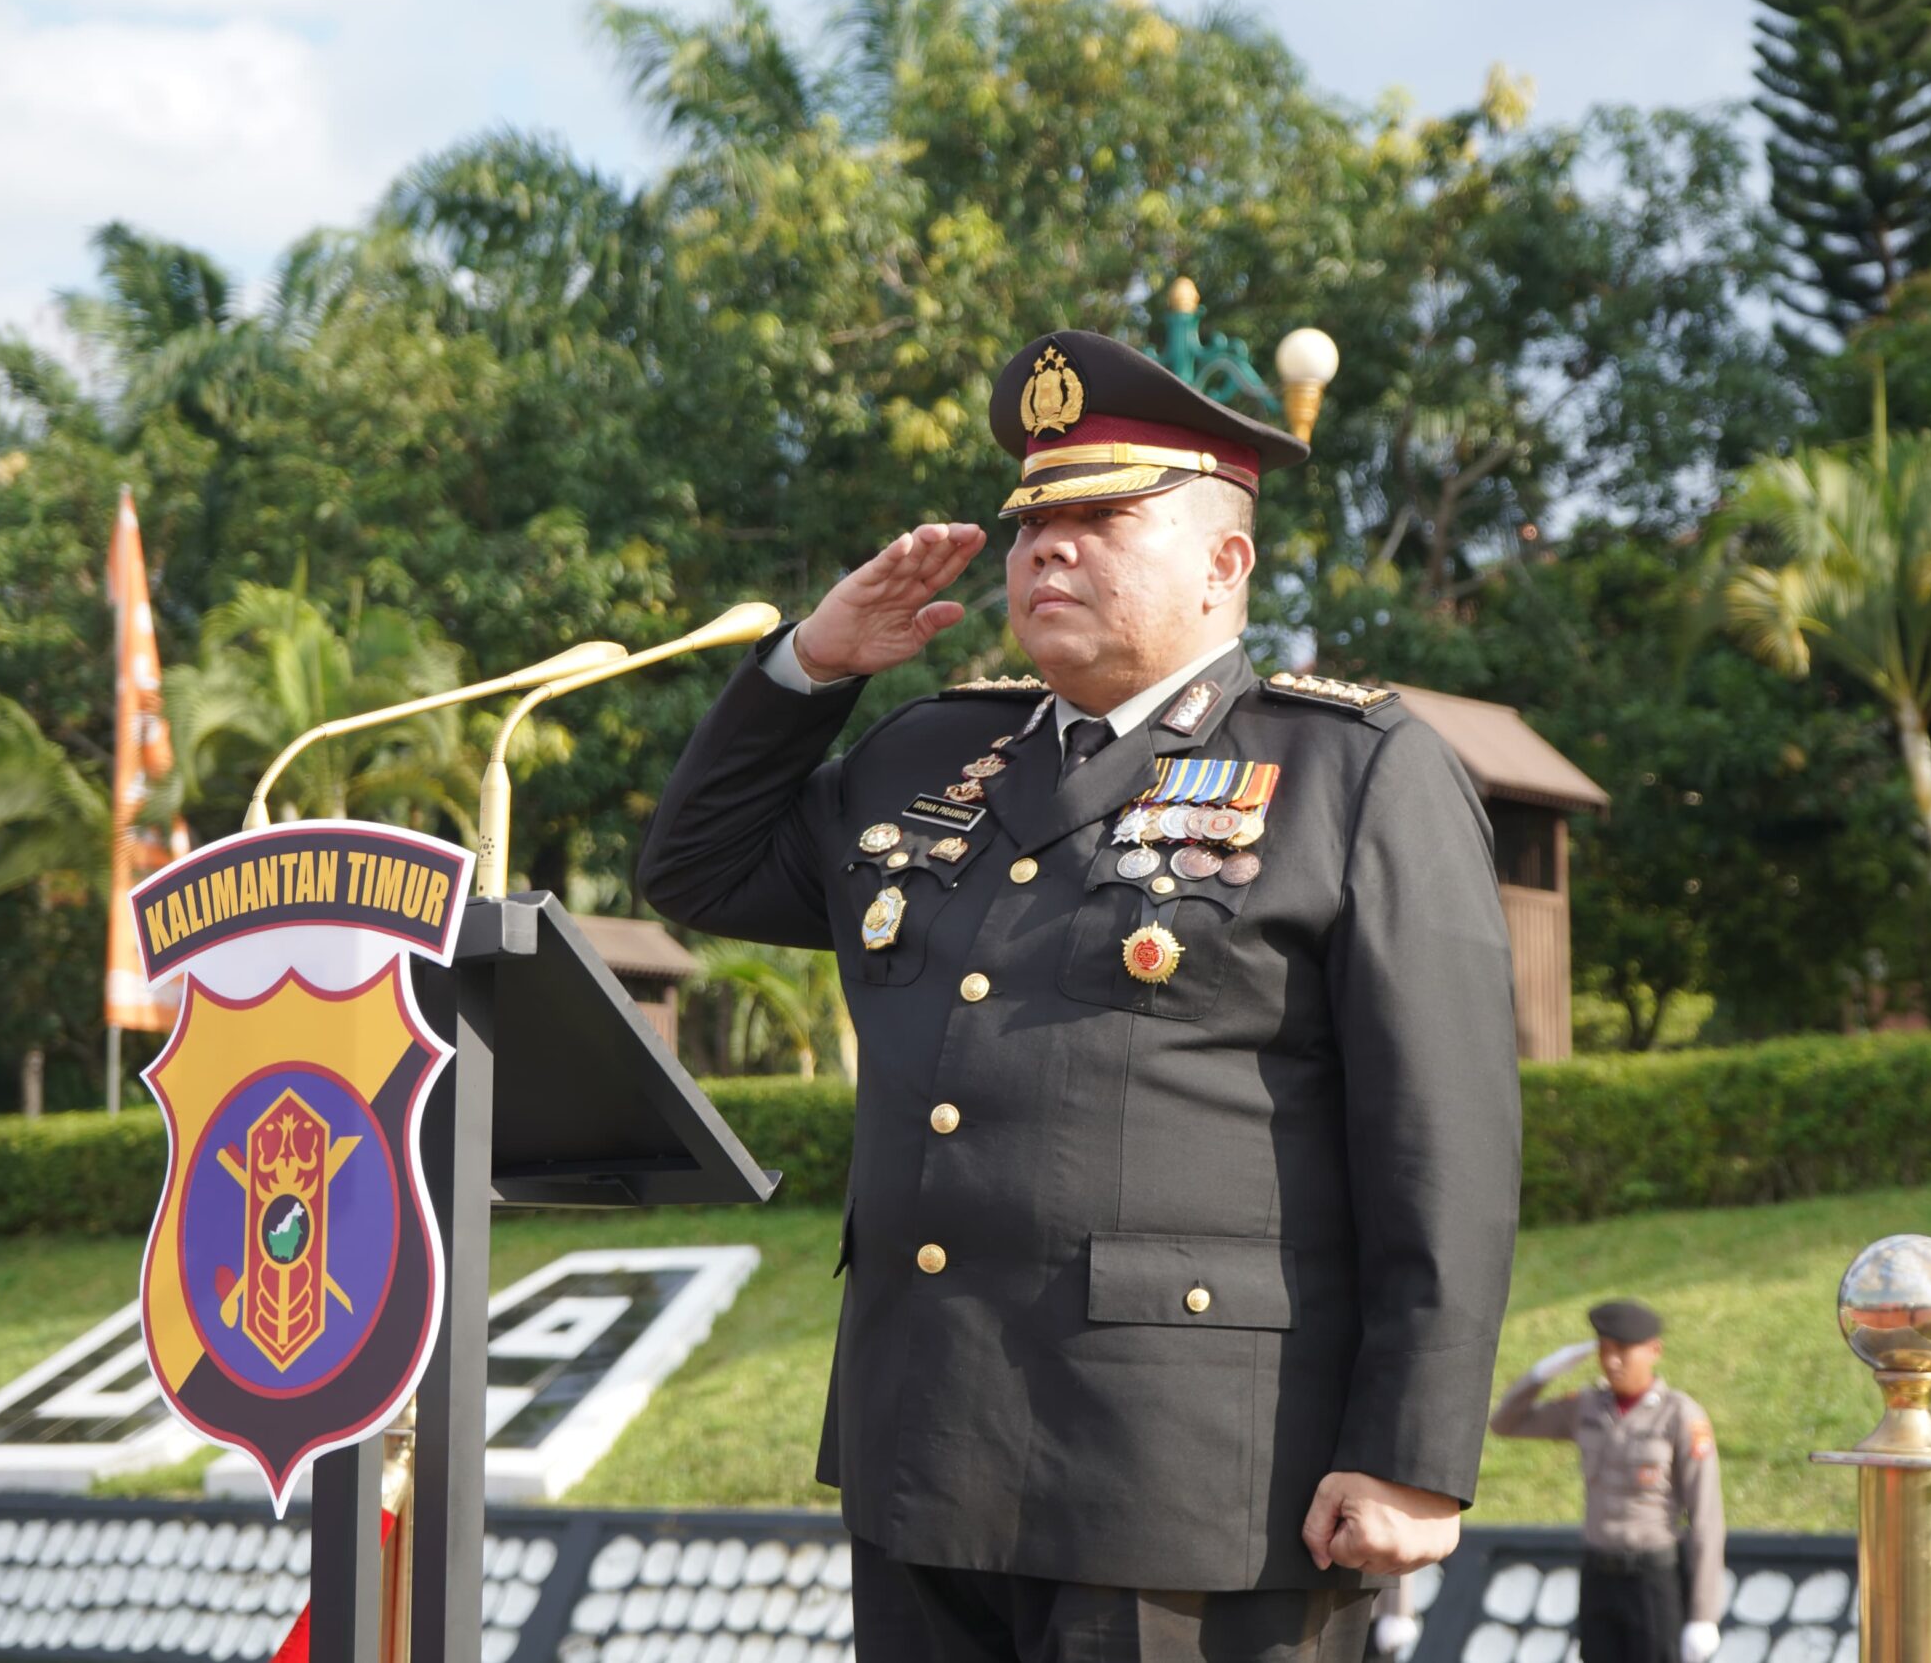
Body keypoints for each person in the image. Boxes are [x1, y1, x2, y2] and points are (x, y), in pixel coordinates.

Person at [637, 328, 1523, 1662]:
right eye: (1034, 520)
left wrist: (1412, 1452)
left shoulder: (1351, 768)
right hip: (926, 1452)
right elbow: (695, 868)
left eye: (1105, 516)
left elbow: (1442, 1136)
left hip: (1192, 1476)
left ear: (1228, 561)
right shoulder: (929, 752)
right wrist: (815, 661)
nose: (1050, 545)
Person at [1488, 1299, 1726, 1663]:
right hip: (1599, 1574)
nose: (1611, 1362)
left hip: (1653, 1577)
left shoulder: (1678, 1415)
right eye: (1604, 1350)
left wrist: (1703, 1615)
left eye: (1622, 1351)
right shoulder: (1587, 1407)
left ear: (1653, 1351)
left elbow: (1707, 1518)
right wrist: (1541, 1375)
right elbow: (1505, 1424)